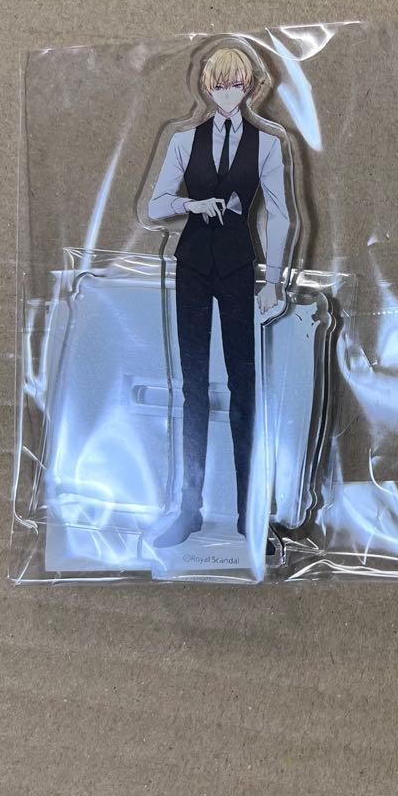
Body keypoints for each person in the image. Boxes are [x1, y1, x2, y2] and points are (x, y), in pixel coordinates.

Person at [146, 45, 293, 547]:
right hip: (191, 266)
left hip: (237, 269)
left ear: (249, 87)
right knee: (192, 386)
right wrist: (193, 204)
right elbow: (156, 205)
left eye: (237, 84)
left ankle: (249, 514)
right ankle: (188, 510)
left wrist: (274, 280)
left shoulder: (266, 144)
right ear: (207, 87)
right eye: (220, 84)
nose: (228, 93)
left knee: (243, 388)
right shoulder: (184, 140)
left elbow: (280, 215)